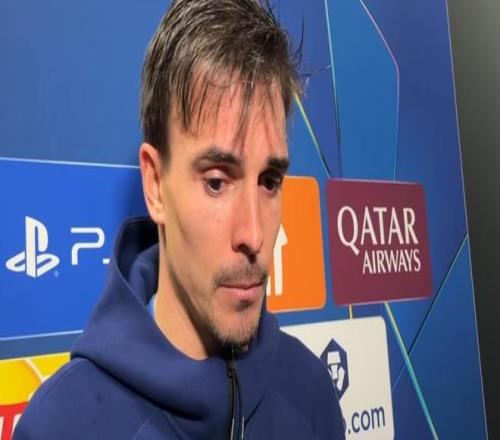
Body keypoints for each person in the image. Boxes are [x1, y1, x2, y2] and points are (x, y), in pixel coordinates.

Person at [14, 1, 345, 438]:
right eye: (216, 182)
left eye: (269, 181)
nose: (253, 235)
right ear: (155, 184)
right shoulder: (62, 425)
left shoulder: (311, 392)